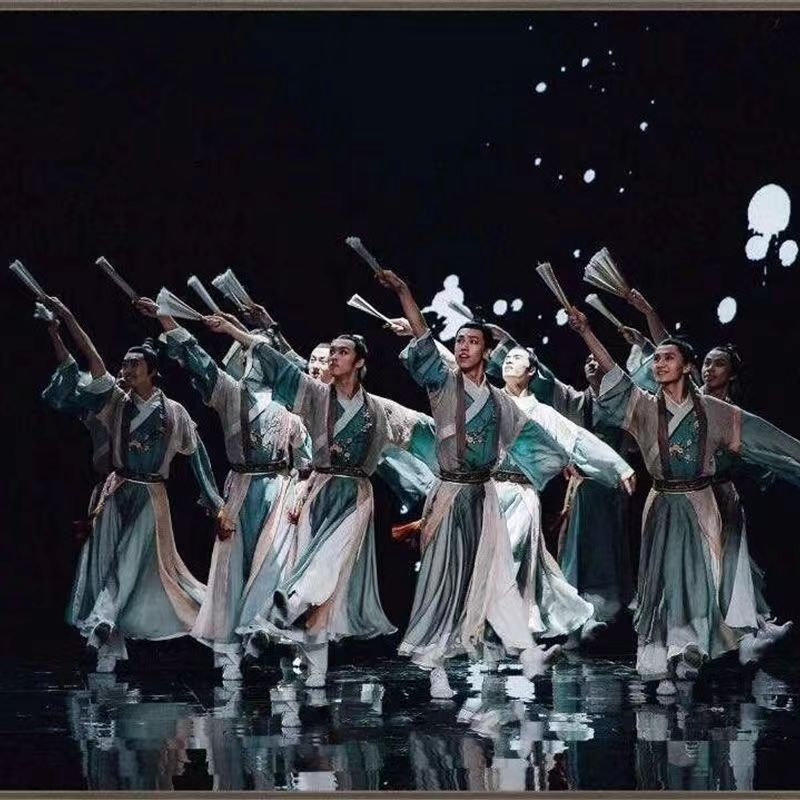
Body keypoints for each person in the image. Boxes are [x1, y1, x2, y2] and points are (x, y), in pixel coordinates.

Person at [378, 270, 635, 698]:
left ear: (488, 352)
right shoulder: (444, 384)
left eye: (472, 341)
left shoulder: (503, 405)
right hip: (452, 492)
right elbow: (424, 341)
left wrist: (610, 465)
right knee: (446, 577)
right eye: (459, 341)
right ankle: (436, 659)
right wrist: (405, 291)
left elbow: (556, 441)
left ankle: (524, 651)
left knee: (499, 572)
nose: (463, 346)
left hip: (487, 496)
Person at [568, 305, 800, 694]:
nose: (659, 364)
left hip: (701, 501)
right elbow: (615, 376)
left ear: (687, 367)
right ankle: (668, 648)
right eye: (656, 358)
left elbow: (766, 438)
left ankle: (694, 646)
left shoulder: (714, 410)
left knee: (700, 576)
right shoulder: (643, 406)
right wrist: (586, 332)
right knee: (663, 577)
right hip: (662, 503)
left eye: (668, 358)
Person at [202, 313, 439, 689]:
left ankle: (288, 605)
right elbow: (279, 365)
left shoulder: (381, 410)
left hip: (355, 496)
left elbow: (425, 431)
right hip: (318, 491)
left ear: (359, 362)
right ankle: (313, 666)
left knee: (328, 561)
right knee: (323, 588)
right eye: (333, 352)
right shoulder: (315, 396)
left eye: (342, 352)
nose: (334, 357)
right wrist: (234, 331)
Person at [40, 296, 228, 674]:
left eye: (133, 364)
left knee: (129, 560)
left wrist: (215, 503)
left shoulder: (174, 412)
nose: (125, 369)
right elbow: (90, 357)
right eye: (124, 364)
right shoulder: (116, 401)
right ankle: (109, 648)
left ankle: (105, 620)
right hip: (116, 490)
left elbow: (198, 459)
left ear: (151, 371)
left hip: (150, 495)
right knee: (105, 561)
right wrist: (61, 324)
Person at [135, 297, 311, 680]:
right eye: (253, 353)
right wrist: (166, 318)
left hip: (282, 489)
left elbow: (306, 455)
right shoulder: (231, 391)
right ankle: (229, 646)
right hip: (244, 487)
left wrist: (302, 490)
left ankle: (264, 631)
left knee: (274, 564)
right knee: (232, 567)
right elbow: (196, 357)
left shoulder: (293, 400)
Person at [488, 330, 636, 641]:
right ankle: (552, 617)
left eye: (517, 358)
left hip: (522, 493)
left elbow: (578, 439)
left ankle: (507, 628)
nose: (509, 362)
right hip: (487, 492)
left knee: (511, 554)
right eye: (507, 358)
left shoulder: (543, 412)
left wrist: (618, 466)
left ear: (532, 371)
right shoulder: (487, 401)